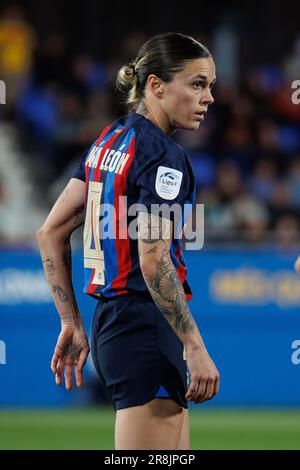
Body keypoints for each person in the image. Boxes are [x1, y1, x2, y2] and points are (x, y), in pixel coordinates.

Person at [37, 32, 220, 450]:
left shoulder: (108, 141)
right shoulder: (162, 155)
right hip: (145, 326)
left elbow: (50, 232)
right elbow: (154, 262)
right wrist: (195, 346)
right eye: (197, 84)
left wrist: (70, 321)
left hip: (112, 323)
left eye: (210, 86)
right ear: (156, 85)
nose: (208, 97)